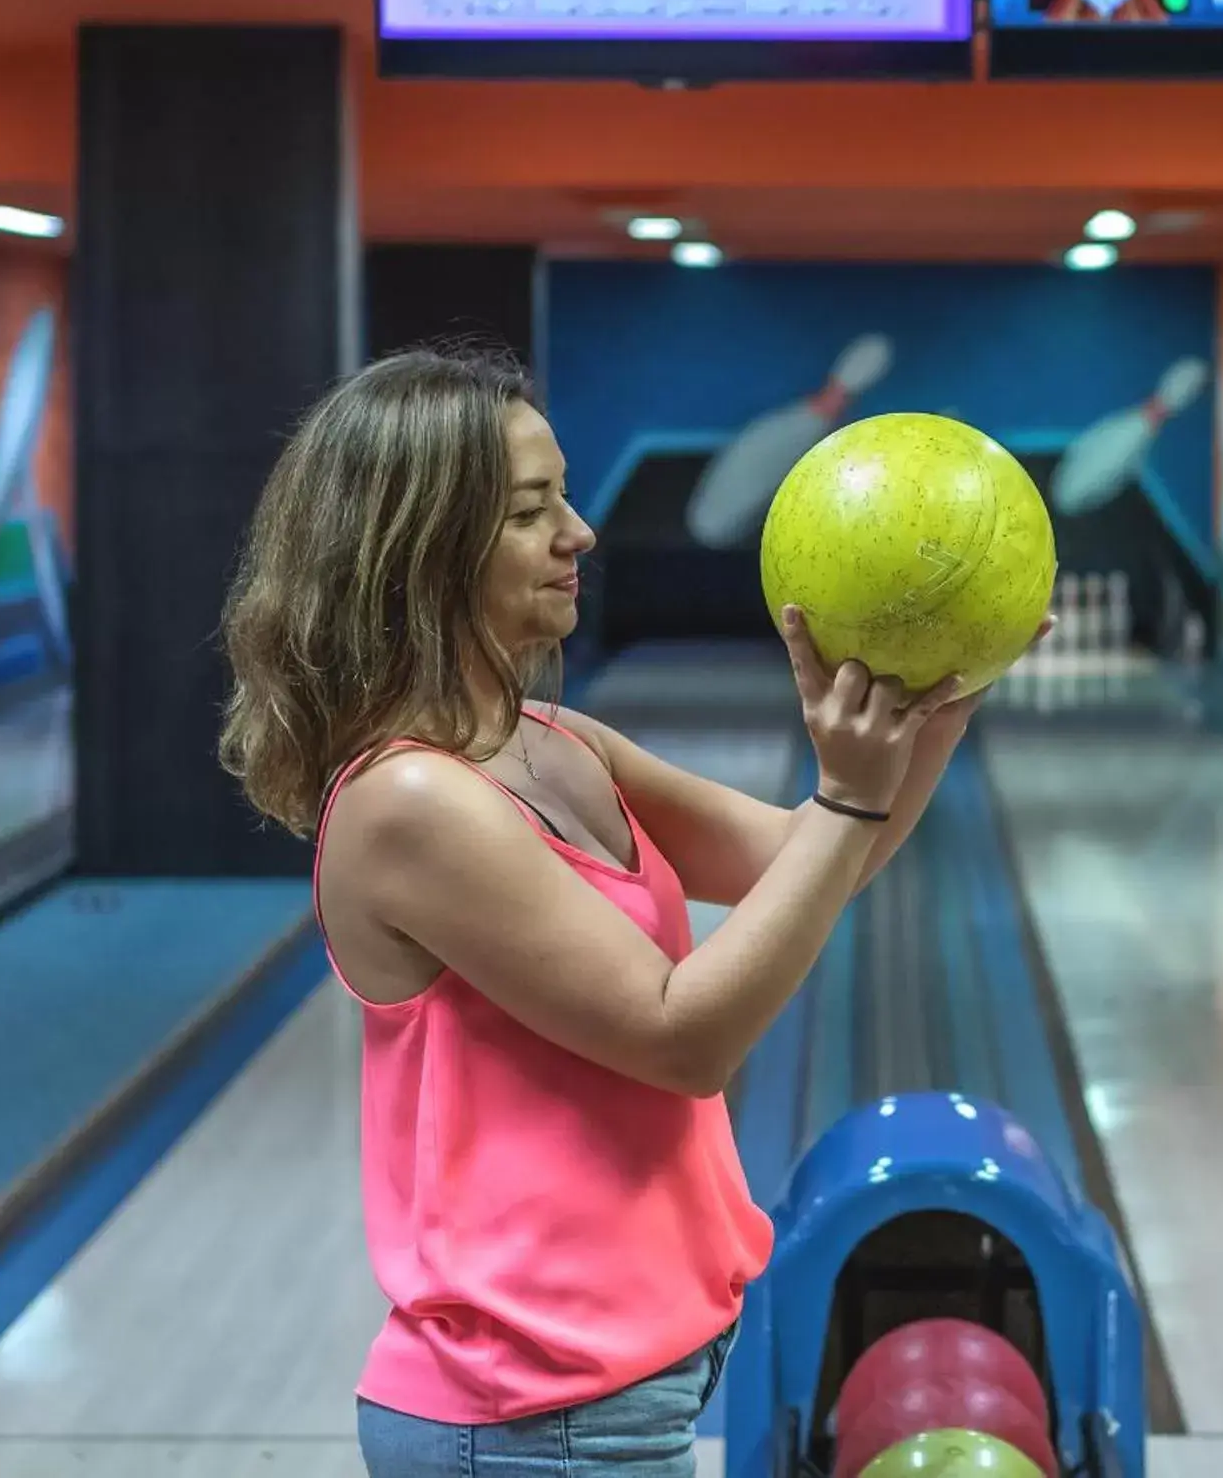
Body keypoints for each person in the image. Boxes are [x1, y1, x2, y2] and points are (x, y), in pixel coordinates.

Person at [217, 344, 1029, 1476]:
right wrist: (847, 789)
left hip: (611, 1391)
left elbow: (806, 862)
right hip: (528, 1417)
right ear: (419, 551)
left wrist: (934, 708)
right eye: (531, 511)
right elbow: (679, 1033)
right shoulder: (408, 802)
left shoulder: (556, 743)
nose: (581, 532)